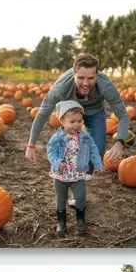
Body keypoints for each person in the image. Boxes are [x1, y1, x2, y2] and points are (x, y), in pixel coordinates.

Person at [25, 53, 131, 184]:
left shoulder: (106, 86)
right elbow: (42, 114)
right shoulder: (60, 89)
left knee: (97, 151)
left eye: (91, 78)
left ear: (97, 75)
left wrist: (119, 142)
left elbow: (123, 116)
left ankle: (85, 168)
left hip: (94, 110)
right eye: (80, 78)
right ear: (73, 74)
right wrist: (31, 144)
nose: (85, 83)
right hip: (70, 111)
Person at [46, 100, 103, 234]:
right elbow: (50, 150)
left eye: (79, 121)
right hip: (60, 175)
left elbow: (93, 149)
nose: (76, 124)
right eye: (72, 122)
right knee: (61, 199)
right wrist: (57, 162)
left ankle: (81, 220)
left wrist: (98, 163)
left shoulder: (84, 137)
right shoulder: (57, 137)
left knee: (81, 197)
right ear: (62, 121)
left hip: (77, 175)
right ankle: (61, 222)